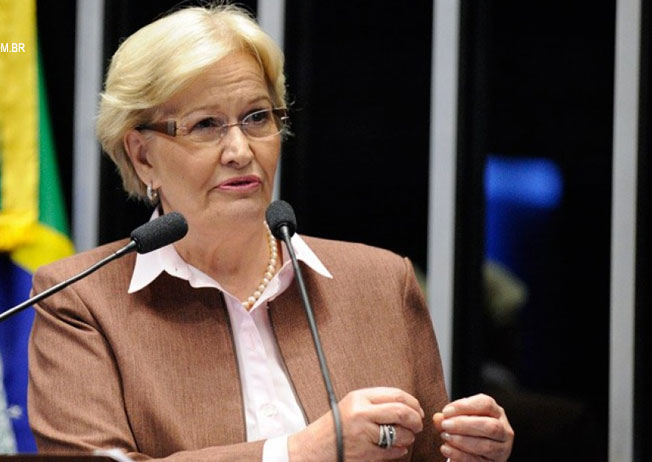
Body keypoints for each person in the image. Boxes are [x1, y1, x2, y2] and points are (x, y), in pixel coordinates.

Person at [27, 5, 514, 462]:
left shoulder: (382, 283)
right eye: (206, 125)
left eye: (257, 117)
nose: (241, 151)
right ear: (142, 155)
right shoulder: (81, 301)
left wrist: (471, 450)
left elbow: (425, 452)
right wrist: (299, 451)